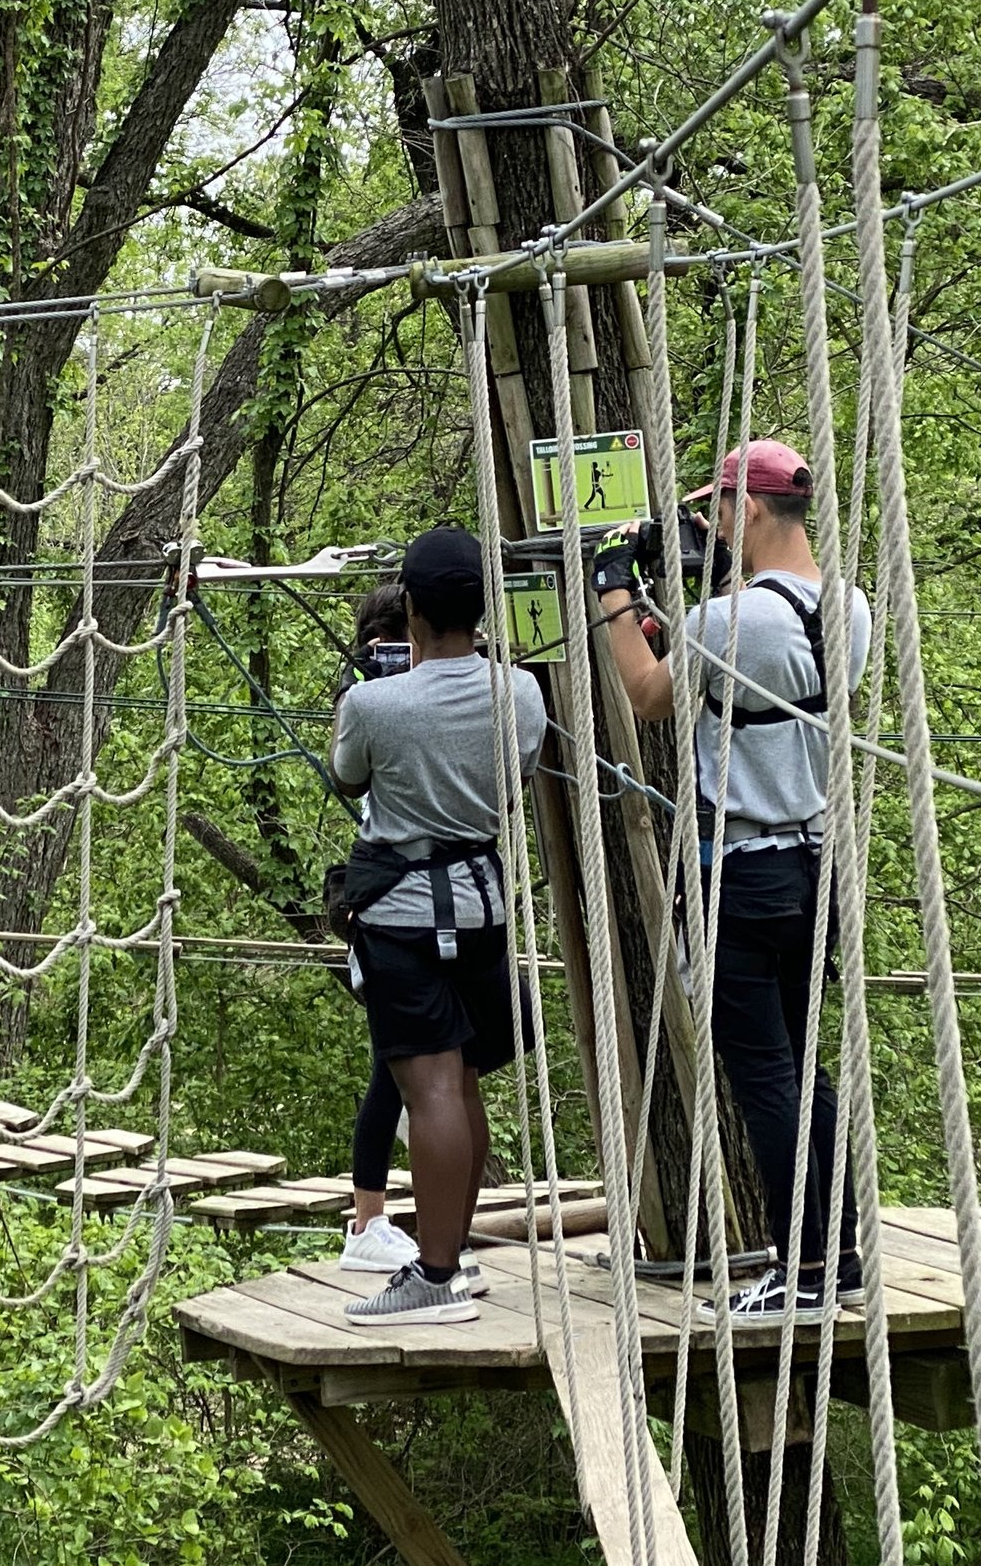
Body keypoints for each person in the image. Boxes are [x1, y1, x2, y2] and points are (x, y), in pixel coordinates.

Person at [594, 440, 870, 1323]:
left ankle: (802, 1264)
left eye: (717, 509)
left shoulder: (728, 621)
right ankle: (843, 1248)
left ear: (748, 510)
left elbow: (647, 694)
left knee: (763, 1075)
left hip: (742, 872)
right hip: (814, 863)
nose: (712, 525)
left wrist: (611, 591)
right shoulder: (848, 607)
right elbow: (730, 682)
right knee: (804, 1066)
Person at [328, 527, 546, 1326]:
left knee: (430, 1088)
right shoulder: (519, 693)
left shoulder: (375, 704)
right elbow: (517, 776)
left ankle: (435, 1270)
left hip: (405, 919)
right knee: (460, 1081)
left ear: (412, 610)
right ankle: (448, 1258)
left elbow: (349, 776)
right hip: (483, 903)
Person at [330, 583, 418, 1277]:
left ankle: (376, 1215)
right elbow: (347, 777)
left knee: (406, 1069)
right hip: (388, 902)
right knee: (391, 1068)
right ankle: (366, 1218)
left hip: (411, 904)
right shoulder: (367, 702)